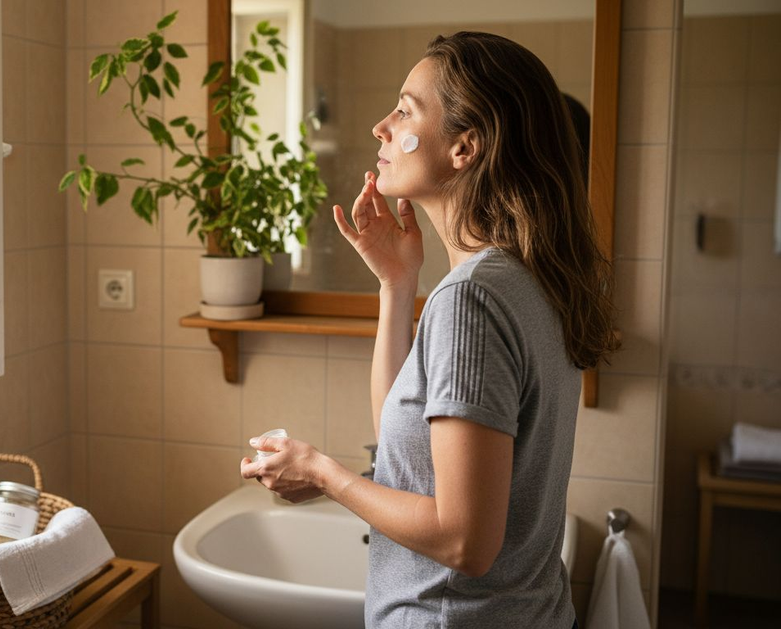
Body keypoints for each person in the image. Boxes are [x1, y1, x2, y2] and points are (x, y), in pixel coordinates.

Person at [240, 31, 619, 628]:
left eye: (405, 109)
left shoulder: (472, 298)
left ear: (464, 148)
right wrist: (397, 283)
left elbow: (465, 541)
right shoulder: (529, 278)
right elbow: (409, 455)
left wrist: (322, 473)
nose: (381, 127)